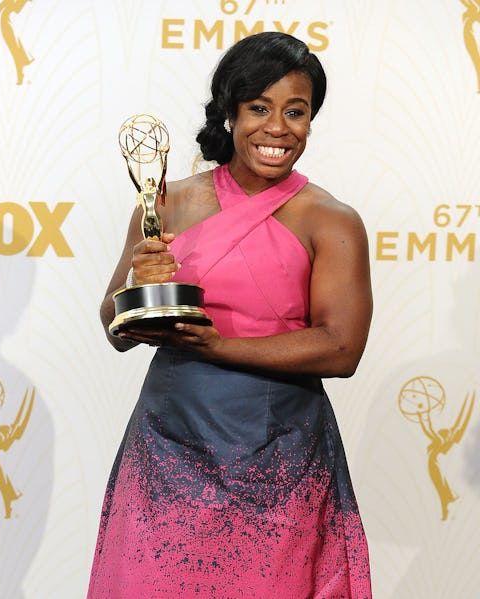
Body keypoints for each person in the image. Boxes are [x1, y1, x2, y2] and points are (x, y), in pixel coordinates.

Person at [87, 31, 373, 599]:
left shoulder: (331, 221)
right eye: (258, 109)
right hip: (168, 450)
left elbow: (342, 349)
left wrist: (218, 346)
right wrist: (138, 285)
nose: (277, 129)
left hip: (280, 457)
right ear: (229, 113)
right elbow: (113, 326)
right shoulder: (168, 200)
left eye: (296, 112)